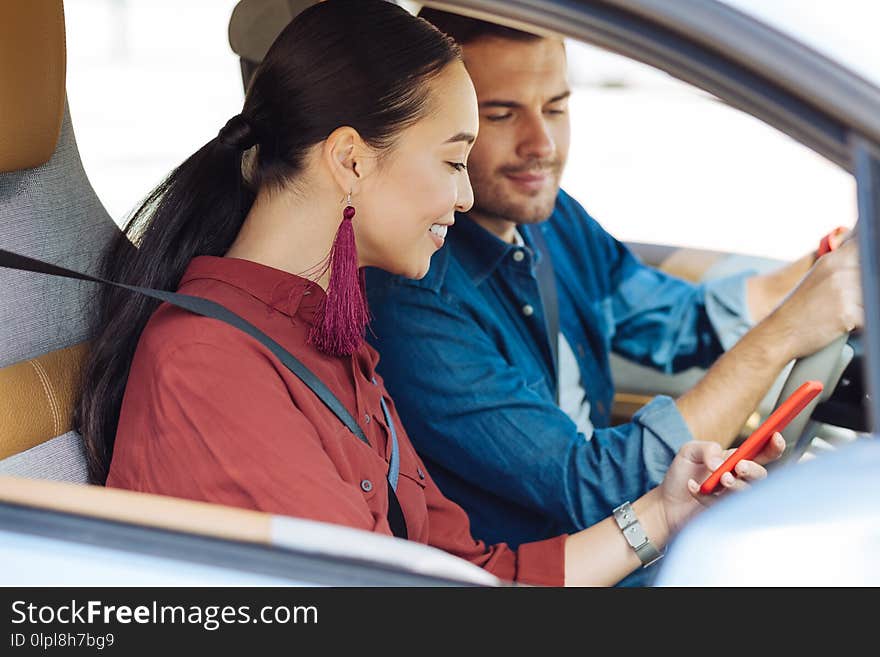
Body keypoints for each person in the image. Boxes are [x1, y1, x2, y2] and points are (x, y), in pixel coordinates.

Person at [74, 0, 776, 587]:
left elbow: (470, 570)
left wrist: (661, 511)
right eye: (450, 161)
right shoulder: (211, 366)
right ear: (351, 160)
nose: (464, 196)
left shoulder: (329, 340)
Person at [364, 8, 863, 581]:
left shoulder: (546, 218)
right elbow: (591, 484)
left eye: (556, 107)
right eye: (500, 114)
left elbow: (672, 321)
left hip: (636, 537)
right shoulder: (412, 295)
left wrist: (832, 263)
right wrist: (784, 336)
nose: (542, 143)